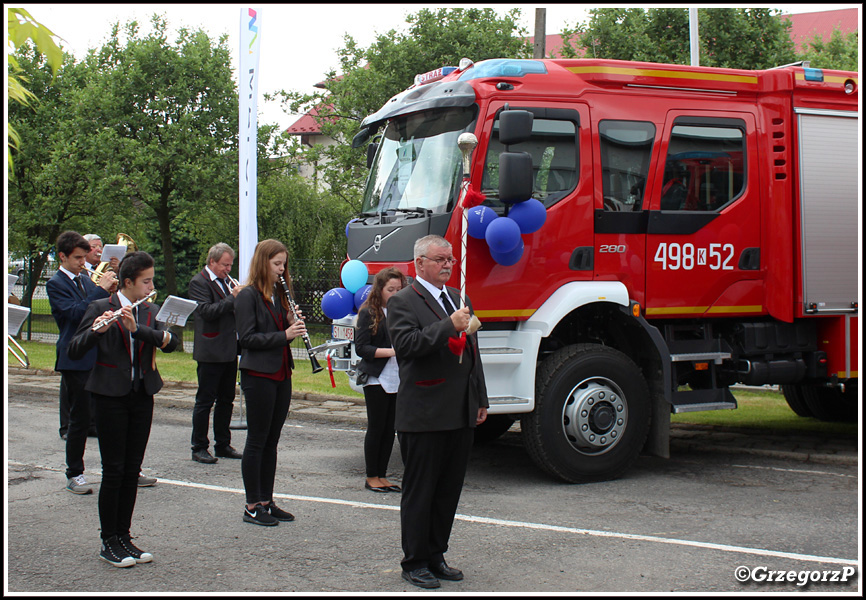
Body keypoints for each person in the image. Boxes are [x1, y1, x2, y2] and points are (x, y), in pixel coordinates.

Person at [386, 234, 488, 589]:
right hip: (425, 412)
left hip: (459, 410)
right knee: (421, 491)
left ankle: (436, 554)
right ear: (419, 264)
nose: (448, 264)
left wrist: (481, 398)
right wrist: (449, 325)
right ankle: (414, 561)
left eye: (450, 259)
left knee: (448, 490)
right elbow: (408, 346)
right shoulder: (402, 301)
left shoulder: (460, 298)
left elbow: (473, 353)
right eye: (440, 259)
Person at [68, 251, 179, 567]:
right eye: (146, 281)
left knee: (132, 469)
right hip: (109, 396)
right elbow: (75, 349)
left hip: (142, 393)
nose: (150, 286)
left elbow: (172, 342)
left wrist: (136, 329)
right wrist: (96, 331)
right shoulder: (100, 307)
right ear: (127, 282)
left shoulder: (148, 310)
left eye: (152, 280)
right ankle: (109, 541)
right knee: (114, 469)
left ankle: (125, 537)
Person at [234, 239, 305, 526]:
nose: (281, 269)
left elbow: (278, 328)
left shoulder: (278, 293)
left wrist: (288, 319)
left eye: (284, 264)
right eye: (277, 264)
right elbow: (247, 339)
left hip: (280, 372)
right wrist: (285, 335)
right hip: (258, 374)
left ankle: (267, 500)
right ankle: (252, 505)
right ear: (263, 263)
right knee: (257, 439)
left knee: (272, 441)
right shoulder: (247, 296)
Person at [46, 231, 116, 495]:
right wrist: (99, 289)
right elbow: (76, 313)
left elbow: (98, 308)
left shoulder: (85, 279)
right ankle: (74, 472)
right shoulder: (56, 283)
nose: (82, 261)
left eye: (83, 256)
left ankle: (119, 468)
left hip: (97, 353)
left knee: (108, 415)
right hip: (74, 357)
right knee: (80, 419)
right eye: (76, 257)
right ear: (62, 257)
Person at [188, 243, 243, 464]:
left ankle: (223, 444)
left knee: (226, 400)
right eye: (225, 265)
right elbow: (206, 312)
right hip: (210, 351)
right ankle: (199, 446)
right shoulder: (198, 282)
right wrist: (233, 298)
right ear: (212, 262)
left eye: (230, 265)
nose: (228, 269)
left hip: (229, 349)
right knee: (205, 401)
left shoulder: (225, 282)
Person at [355, 267, 406, 493]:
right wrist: (392, 351)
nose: (394, 293)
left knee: (390, 429)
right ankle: (371, 475)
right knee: (376, 427)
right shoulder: (370, 312)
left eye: (399, 289)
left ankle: (383, 475)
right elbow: (362, 348)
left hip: (398, 377)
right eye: (390, 289)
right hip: (377, 376)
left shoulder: (404, 311)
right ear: (380, 290)